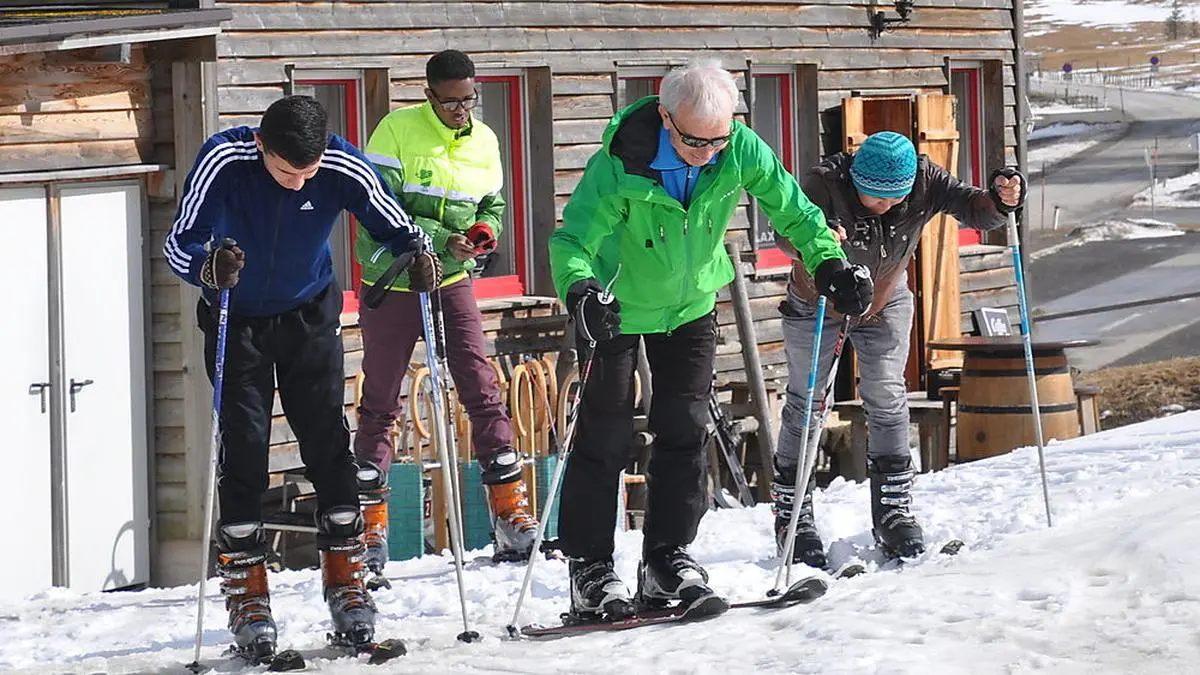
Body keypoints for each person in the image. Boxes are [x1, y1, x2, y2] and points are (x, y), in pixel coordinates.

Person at [547, 59, 868, 620]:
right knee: (605, 436)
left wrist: (830, 263)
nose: (708, 153)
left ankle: (666, 557)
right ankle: (590, 566)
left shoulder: (738, 148)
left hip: (691, 303)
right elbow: (572, 239)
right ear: (665, 117)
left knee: (685, 430)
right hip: (617, 304)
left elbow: (794, 211)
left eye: (718, 140)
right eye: (696, 141)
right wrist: (580, 291)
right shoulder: (622, 162)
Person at [163, 94, 439, 661]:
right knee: (244, 446)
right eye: (287, 172)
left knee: (327, 442)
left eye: (308, 173)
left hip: (308, 313)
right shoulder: (224, 159)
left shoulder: (340, 163)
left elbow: (396, 224)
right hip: (236, 314)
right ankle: (247, 594)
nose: (298, 183)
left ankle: (347, 582)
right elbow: (178, 242)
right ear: (261, 145)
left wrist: (417, 252)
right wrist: (206, 266)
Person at [771, 130, 1025, 568]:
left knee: (888, 396)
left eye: (895, 198)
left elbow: (974, 209)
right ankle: (794, 517)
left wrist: (1000, 202)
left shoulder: (925, 180)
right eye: (875, 196)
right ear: (857, 179)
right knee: (808, 403)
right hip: (819, 301)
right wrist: (811, 238)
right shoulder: (825, 183)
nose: (886, 205)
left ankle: (893, 510)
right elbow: (783, 234)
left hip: (884, 300)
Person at [353, 49, 540, 571]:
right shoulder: (396, 130)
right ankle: (370, 526)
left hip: (451, 277)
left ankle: (508, 511)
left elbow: (493, 204)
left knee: (480, 383)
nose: (461, 110)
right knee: (382, 396)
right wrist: (438, 237)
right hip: (393, 277)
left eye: (469, 99)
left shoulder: (485, 140)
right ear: (429, 95)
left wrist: (483, 232)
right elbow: (375, 207)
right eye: (451, 101)